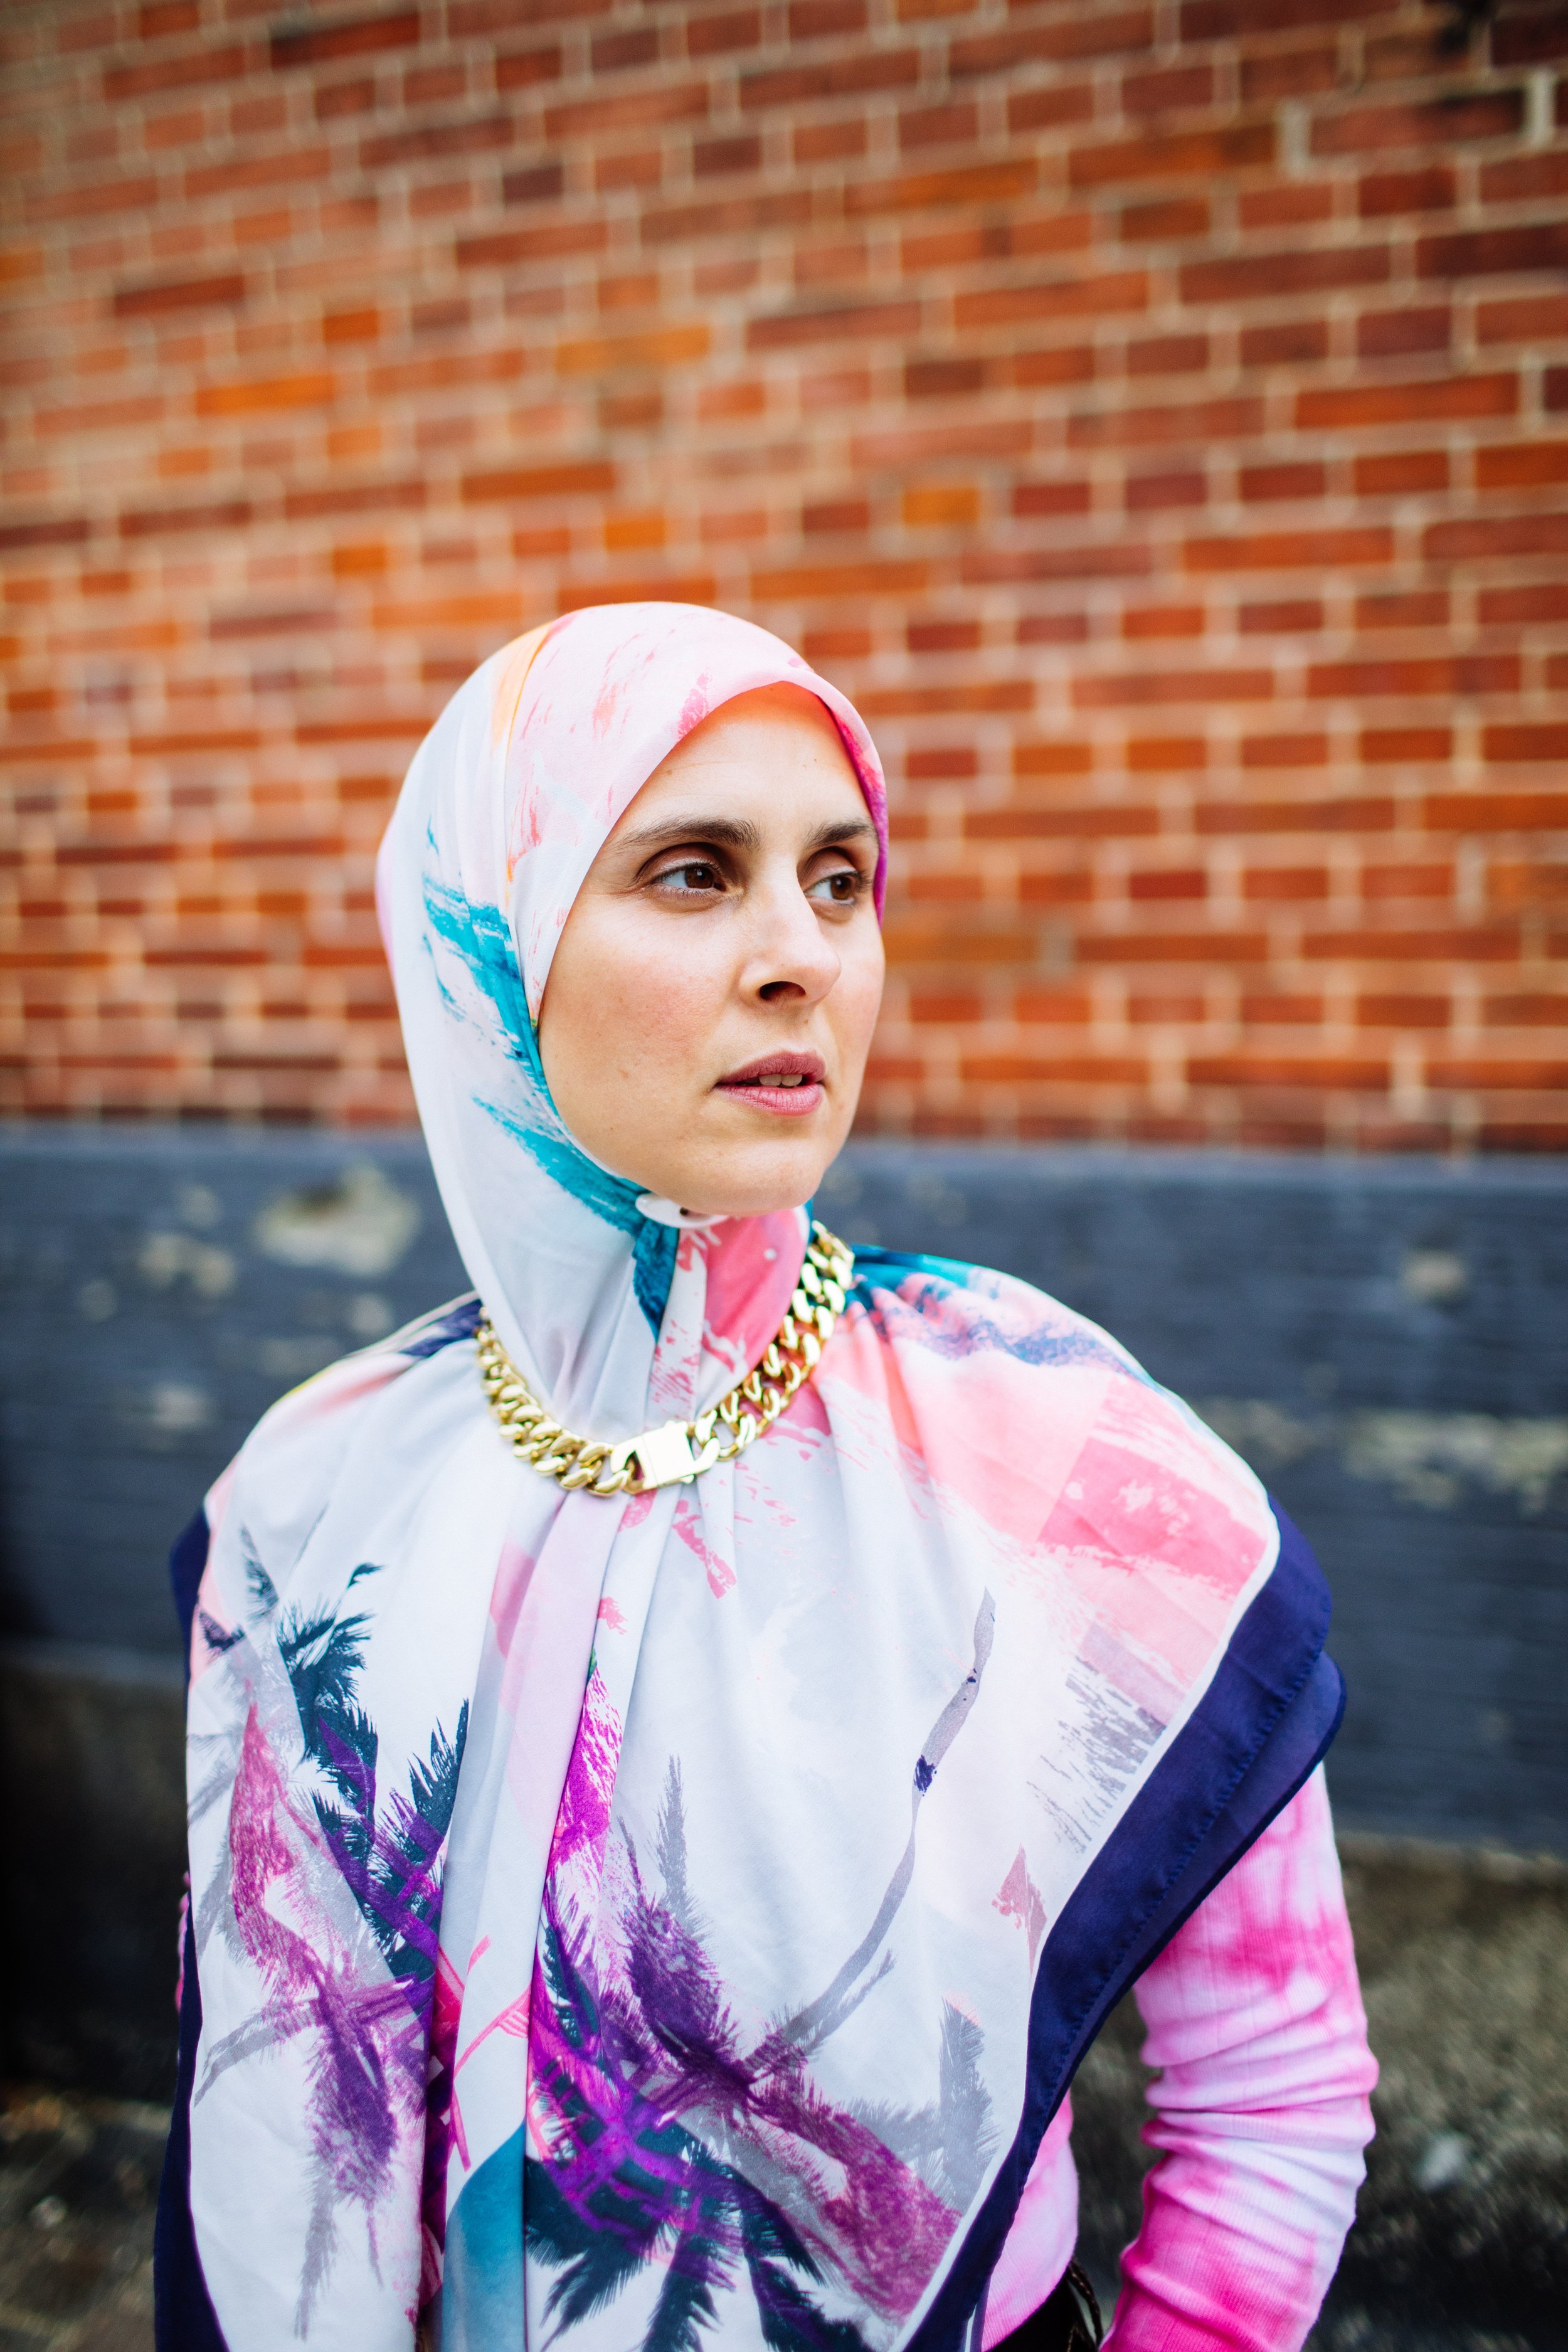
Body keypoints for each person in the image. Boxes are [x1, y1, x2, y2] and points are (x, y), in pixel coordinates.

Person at [154, 604, 1376, 2352]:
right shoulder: (316, 1497)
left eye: (840, 878)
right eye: (693, 872)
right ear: (489, 942)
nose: (802, 954)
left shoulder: (1066, 1470)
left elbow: (1273, 2089)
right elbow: (268, 2096)